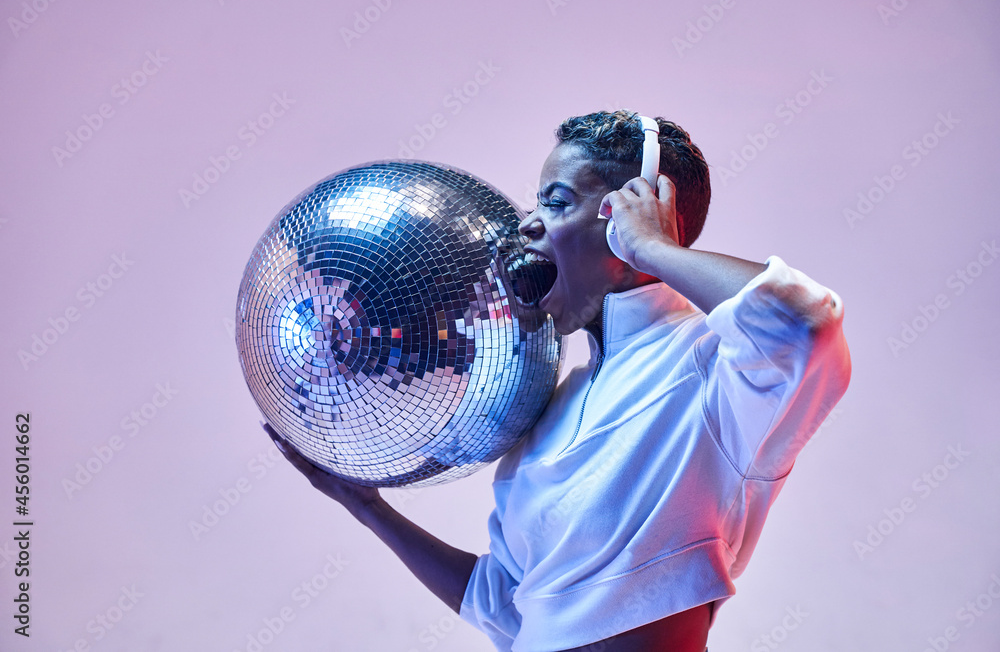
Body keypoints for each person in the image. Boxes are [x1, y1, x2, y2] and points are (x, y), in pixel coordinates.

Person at [261, 110, 852, 651]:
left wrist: (652, 248)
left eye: (557, 201)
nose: (528, 225)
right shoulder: (549, 413)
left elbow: (806, 324)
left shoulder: (717, 372)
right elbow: (504, 606)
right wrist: (367, 508)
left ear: (629, 214)